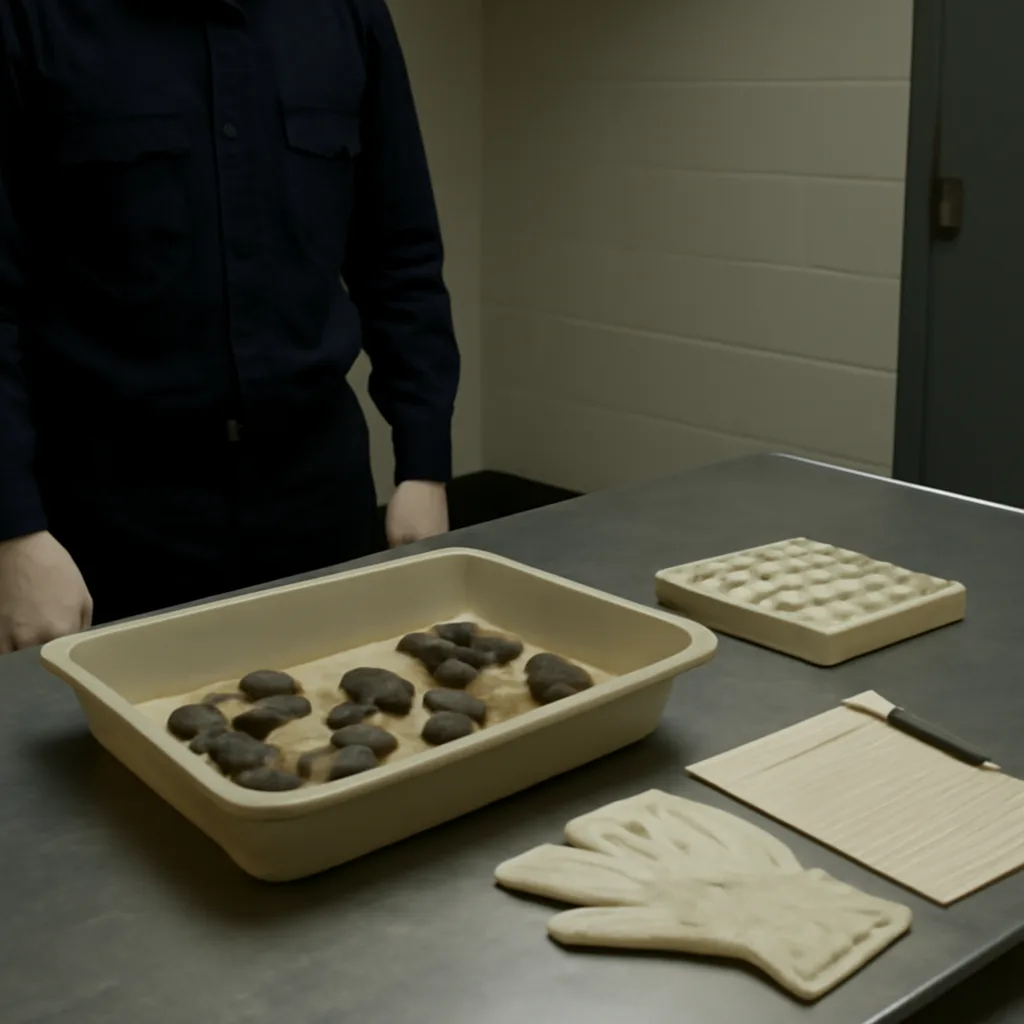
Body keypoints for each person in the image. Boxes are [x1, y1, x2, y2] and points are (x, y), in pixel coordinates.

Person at [0, 0, 460, 652]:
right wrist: (13, 531)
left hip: (317, 495)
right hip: (104, 513)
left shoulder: (347, 15)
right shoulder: (30, 19)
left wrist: (423, 465)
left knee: (339, 736)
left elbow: (401, 255)